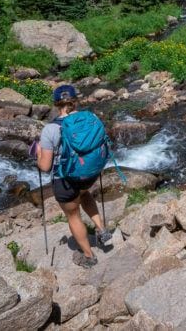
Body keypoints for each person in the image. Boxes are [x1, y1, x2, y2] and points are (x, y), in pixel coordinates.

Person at [36, 84, 112, 268]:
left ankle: (89, 256)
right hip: (90, 174)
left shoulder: (50, 130)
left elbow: (45, 166)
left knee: (73, 215)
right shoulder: (91, 117)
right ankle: (101, 229)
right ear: (76, 100)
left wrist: (38, 153)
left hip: (66, 180)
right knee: (84, 194)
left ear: (55, 104)